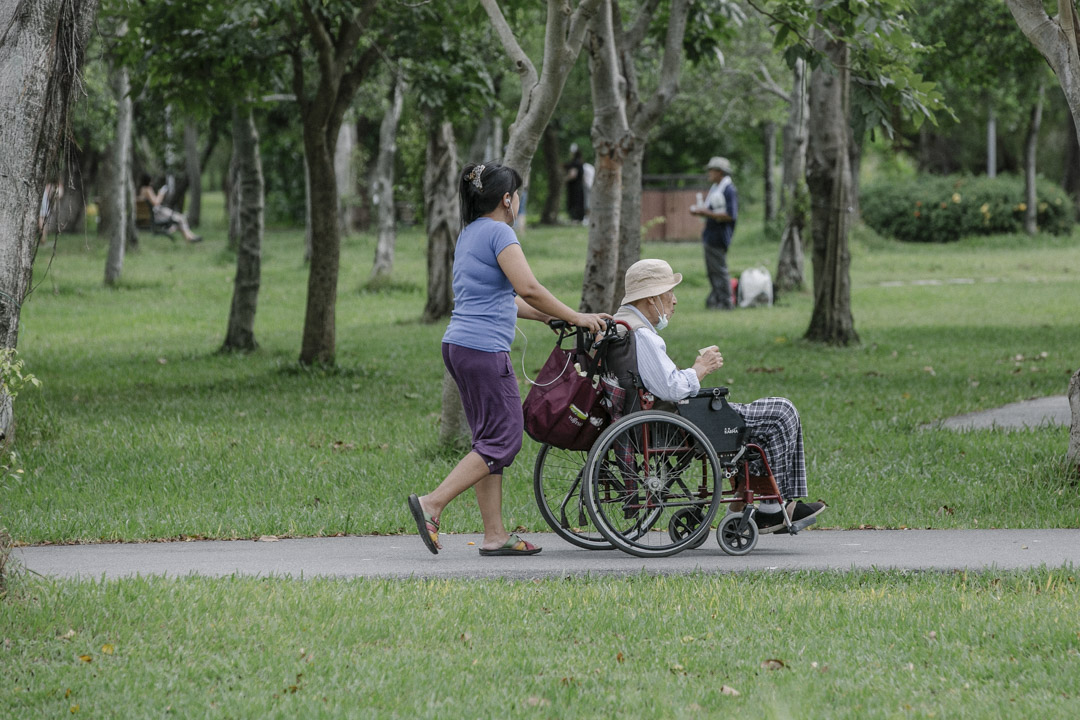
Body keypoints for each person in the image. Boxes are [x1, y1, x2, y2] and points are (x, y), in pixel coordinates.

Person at [407, 162, 612, 557]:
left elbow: (507, 298)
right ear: (506, 199)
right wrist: (577, 316)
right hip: (484, 351)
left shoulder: (470, 233)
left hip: (460, 347)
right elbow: (529, 287)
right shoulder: (501, 232)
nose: (518, 200)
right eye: (517, 194)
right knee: (505, 440)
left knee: (488, 442)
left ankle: (495, 535)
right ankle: (432, 504)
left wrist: (551, 317)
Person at [611, 258, 826, 532]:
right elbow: (673, 388)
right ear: (652, 299)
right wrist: (701, 368)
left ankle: (761, 506)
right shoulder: (642, 336)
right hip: (679, 421)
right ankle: (772, 508)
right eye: (669, 294)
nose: (674, 301)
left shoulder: (621, 327)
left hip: (660, 416)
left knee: (768, 416)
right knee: (782, 411)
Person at [690, 156, 738, 310]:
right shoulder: (716, 188)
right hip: (710, 235)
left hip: (719, 236)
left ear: (720, 172)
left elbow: (731, 215)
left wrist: (706, 213)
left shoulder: (729, 190)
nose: (709, 173)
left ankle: (726, 302)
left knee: (720, 271)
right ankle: (717, 300)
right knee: (712, 271)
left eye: (712, 170)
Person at [137, 174, 202, 243]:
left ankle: (189, 236)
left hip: (152, 215)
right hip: (157, 215)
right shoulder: (148, 189)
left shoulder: (141, 190)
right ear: (149, 181)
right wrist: (161, 193)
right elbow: (156, 202)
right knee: (180, 218)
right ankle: (189, 237)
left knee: (179, 219)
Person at [564, 144, 586, 223]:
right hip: (579, 187)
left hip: (574, 188)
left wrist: (564, 180)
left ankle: (575, 218)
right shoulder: (580, 162)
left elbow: (573, 175)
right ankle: (578, 218)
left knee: (574, 202)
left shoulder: (575, 163)